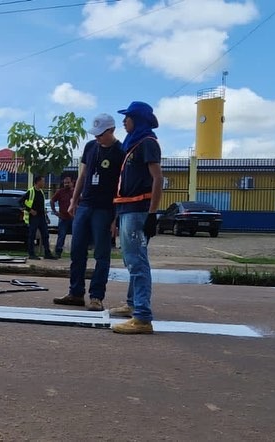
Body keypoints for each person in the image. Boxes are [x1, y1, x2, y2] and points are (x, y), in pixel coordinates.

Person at [53, 114, 125, 311]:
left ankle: (96, 297)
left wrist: (115, 218)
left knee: (102, 254)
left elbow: (121, 186)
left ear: (111, 131)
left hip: (105, 209)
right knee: (77, 250)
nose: (97, 138)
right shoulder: (90, 147)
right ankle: (76, 293)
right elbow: (83, 175)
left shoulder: (121, 151)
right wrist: (74, 201)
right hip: (85, 205)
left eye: (101, 134)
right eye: (95, 134)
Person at [109, 101, 164, 334]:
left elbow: (158, 179)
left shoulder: (147, 143)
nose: (124, 121)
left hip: (139, 209)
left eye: (128, 117)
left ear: (138, 119)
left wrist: (152, 214)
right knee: (131, 260)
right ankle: (133, 305)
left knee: (137, 261)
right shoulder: (133, 145)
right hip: (126, 209)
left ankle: (142, 317)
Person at [23, 175, 56, 260]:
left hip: (42, 217)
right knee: (32, 235)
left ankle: (47, 253)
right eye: (43, 181)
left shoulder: (41, 192)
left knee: (45, 235)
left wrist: (45, 212)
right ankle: (31, 254)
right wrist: (30, 210)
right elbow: (20, 202)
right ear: (38, 182)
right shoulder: (30, 192)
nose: (44, 183)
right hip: (34, 217)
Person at [49, 175, 74, 259]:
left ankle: (75, 253)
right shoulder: (60, 192)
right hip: (63, 218)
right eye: (65, 183)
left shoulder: (75, 192)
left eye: (68, 183)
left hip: (74, 218)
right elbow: (52, 200)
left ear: (72, 183)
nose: (66, 184)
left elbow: (81, 201)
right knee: (61, 236)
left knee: (77, 236)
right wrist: (55, 212)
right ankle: (58, 252)